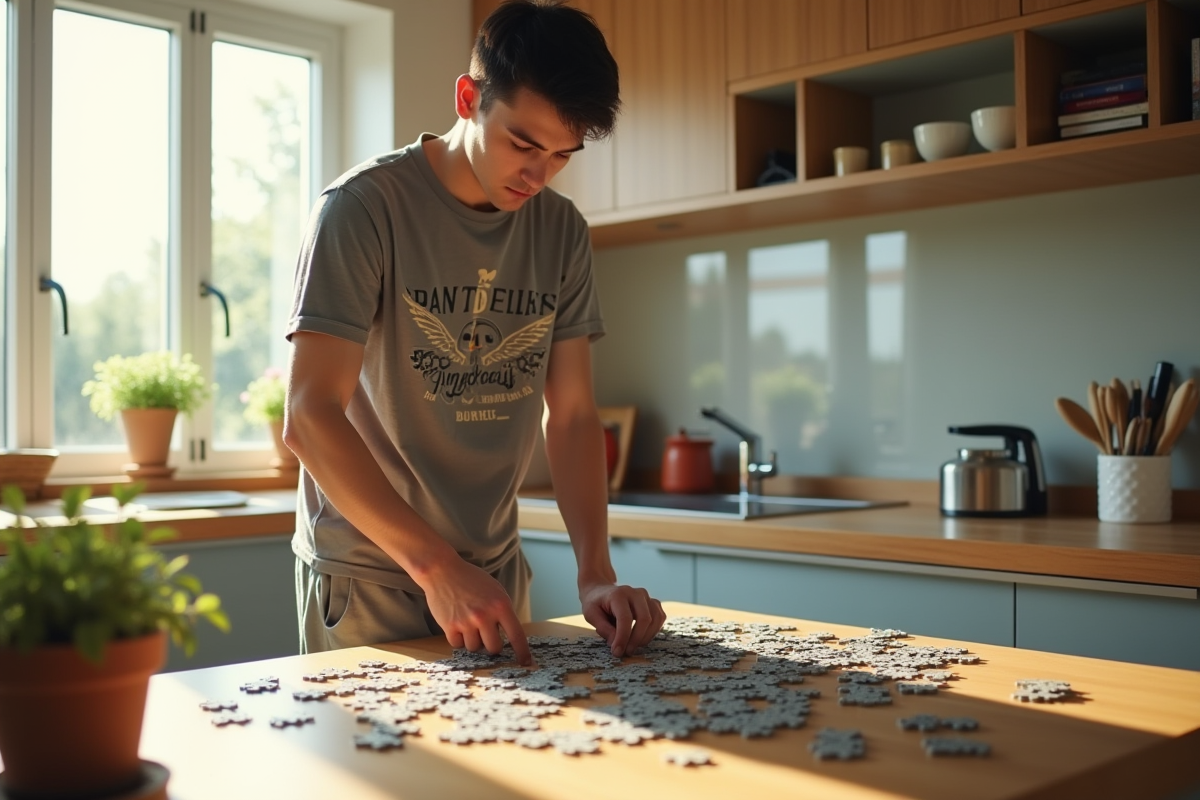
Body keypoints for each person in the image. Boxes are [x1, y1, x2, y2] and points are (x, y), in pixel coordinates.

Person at [283, 0, 666, 667]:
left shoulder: (561, 232)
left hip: (491, 573)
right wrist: (436, 570)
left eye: (561, 155)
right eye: (522, 143)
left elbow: (573, 416)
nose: (537, 174)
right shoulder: (363, 208)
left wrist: (594, 571)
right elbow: (309, 416)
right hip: (370, 574)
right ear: (468, 98)